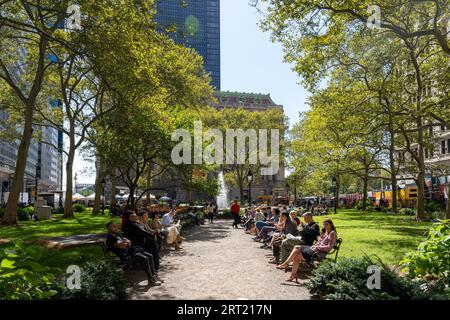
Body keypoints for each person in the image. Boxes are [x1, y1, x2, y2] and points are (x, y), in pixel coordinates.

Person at [277, 219, 337, 283]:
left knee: (297, 248)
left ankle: (286, 264)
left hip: (319, 252)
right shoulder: (325, 232)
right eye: (324, 224)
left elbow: (329, 247)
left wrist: (317, 247)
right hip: (314, 249)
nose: (325, 226)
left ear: (331, 225)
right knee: (297, 256)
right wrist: (316, 245)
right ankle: (292, 274)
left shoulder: (332, 233)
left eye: (326, 224)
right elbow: (319, 242)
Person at [105, 221, 160, 286]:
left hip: (131, 251)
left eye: (115, 225)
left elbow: (129, 242)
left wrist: (125, 243)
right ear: (108, 228)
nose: (115, 227)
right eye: (113, 226)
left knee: (150, 256)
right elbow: (122, 247)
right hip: (125, 255)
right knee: (145, 258)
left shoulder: (118, 235)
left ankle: (154, 277)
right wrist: (125, 243)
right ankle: (150, 280)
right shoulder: (110, 238)